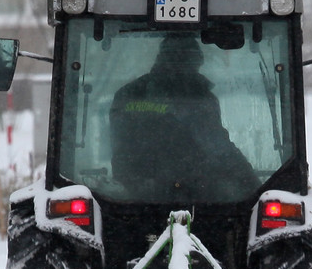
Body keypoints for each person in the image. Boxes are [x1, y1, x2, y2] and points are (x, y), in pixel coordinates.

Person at [109, 34, 258, 202]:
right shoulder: (198, 98)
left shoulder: (129, 94)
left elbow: (121, 150)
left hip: (137, 198)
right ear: (192, 61)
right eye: (193, 61)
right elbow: (217, 147)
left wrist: (134, 184)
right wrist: (251, 183)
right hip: (195, 194)